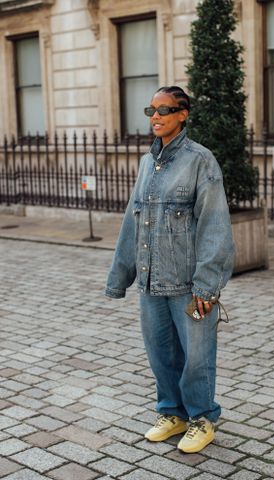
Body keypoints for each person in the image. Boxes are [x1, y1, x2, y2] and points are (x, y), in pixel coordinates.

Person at [105, 85, 235, 453]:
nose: (156, 117)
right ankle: (172, 412)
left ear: (183, 114)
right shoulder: (148, 163)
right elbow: (133, 221)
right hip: (150, 281)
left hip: (187, 284)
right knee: (160, 353)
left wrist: (207, 287)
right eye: (151, 110)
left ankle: (201, 418)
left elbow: (215, 226)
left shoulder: (200, 161)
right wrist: (120, 277)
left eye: (165, 110)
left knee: (196, 357)